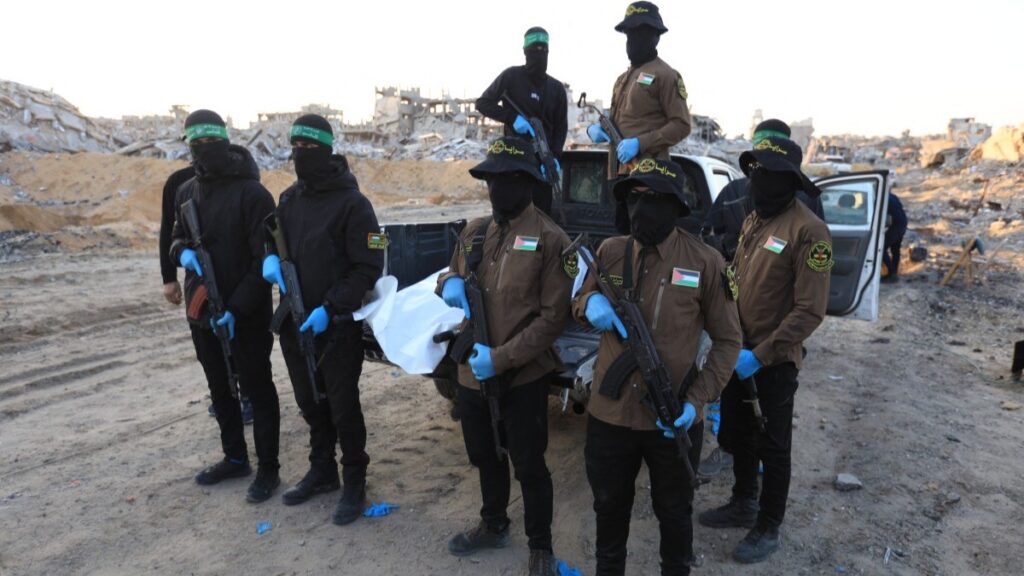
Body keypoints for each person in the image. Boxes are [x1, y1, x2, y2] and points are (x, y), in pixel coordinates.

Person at [572, 158, 741, 576]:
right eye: (634, 197)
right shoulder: (610, 252)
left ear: (675, 205)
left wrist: (697, 400)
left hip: (673, 417)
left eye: (653, 199)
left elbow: (729, 340)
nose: (641, 208)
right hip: (609, 415)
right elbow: (579, 302)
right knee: (609, 508)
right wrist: (587, 303)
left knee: (674, 513)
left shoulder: (705, 262)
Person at [437, 136, 574, 576]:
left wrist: (501, 359)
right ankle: (493, 523)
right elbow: (451, 273)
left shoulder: (552, 241)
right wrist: (449, 284)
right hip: (472, 372)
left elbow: (552, 321)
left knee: (529, 465)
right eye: (492, 180)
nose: (497, 190)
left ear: (528, 184)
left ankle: (541, 547)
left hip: (522, 375)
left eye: (507, 180)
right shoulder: (475, 231)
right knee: (483, 454)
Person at [698, 135, 832, 564]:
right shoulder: (756, 219)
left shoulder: (810, 231)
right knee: (739, 434)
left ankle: (768, 525)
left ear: (788, 181)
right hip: (738, 353)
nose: (755, 182)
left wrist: (761, 353)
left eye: (765, 175)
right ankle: (743, 502)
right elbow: (739, 276)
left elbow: (810, 311)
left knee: (773, 445)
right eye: (753, 173)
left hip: (772, 360)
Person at [261, 114, 384, 525]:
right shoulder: (288, 200)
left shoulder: (354, 205)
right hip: (295, 324)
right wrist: (269, 262)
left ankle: (353, 480)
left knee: (343, 407)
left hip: (335, 327)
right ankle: (322, 470)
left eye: (310, 149)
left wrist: (330, 308)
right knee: (309, 402)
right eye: (295, 148)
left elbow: (369, 267)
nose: (301, 155)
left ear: (328, 150)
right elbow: (271, 239)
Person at [168, 109, 281, 503]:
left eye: (208, 143)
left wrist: (235, 307)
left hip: (246, 314)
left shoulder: (253, 194)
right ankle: (235, 457)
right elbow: (176, 236)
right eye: (194, 144)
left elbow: (264, 260)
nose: (202, 151)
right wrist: (182, 254)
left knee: (257, 388)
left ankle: (268, 468)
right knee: (219, 388)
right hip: (203, 314)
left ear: (224, 142)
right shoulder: (186, 192)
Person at [587, 1, 692, 233]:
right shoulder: (621, 79)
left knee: (642, 242)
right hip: (619, 177)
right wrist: (598, 130)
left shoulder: (666, 75)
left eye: (641, 33)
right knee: (621, 243)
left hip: (649, 179)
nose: (634, 40)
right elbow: (616, 122)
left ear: (656, 37)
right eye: (630, 33)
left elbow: (682, 125)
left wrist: (640, 143)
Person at [702, 119, 825, 262]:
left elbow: (813, 262)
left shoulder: (807, 204)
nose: (764, 178)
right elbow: (707, 238)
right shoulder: (733, 191)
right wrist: (731, 245)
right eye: (758, 167)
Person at [476, 27, 568, 215]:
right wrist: (511, 117)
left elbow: (561, 127)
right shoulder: (511, 77)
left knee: (540, 223)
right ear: (525, 51)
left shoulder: (557, 89)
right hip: (513, 167)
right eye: (534, 49)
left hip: (542, 168)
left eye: (544, 49)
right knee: (511, 220)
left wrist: (555, 157)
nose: (540, 54)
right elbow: (483, 103)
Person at [881, 190, 907, 282]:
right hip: (903, 223)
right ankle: (894, 273)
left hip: (896, 225)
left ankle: (891, 273)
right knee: (895, 250)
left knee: (881, 248)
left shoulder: (882, 198)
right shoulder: (892, 196)